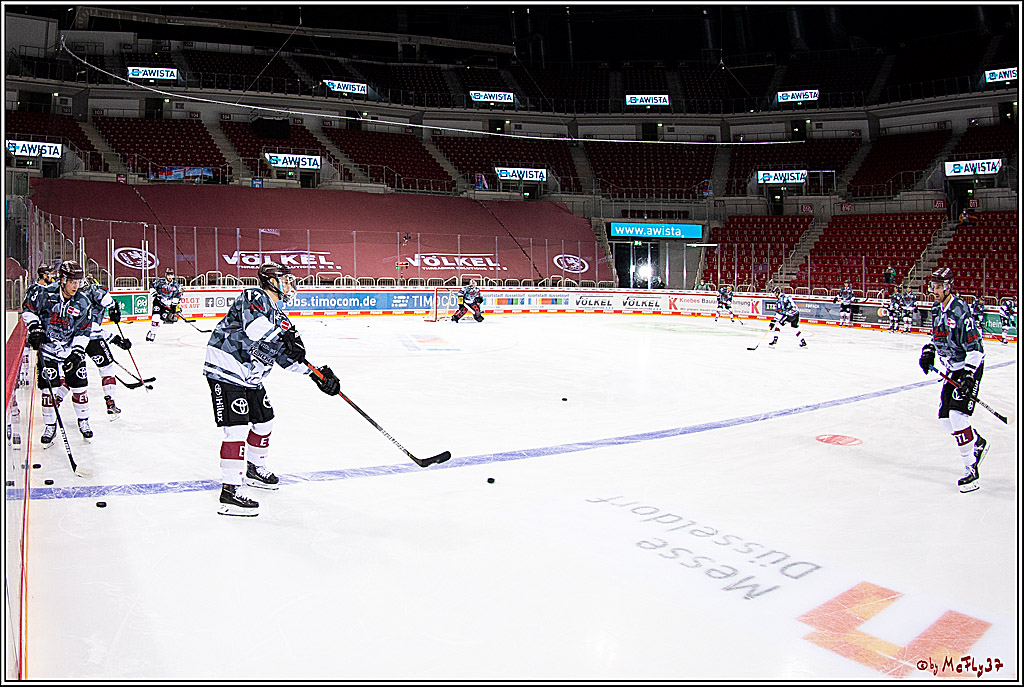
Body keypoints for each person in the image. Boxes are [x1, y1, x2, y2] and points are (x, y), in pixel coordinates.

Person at [203, 261, 340, 516]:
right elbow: (255, 329)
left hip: (251, 377)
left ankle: (254, 468)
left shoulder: (282, 318)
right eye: (285, 280)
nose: (290, 285)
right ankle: (230, 490)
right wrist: (283, 337)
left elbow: (287, 358)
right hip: (227, 367)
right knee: (236, 429)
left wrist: (317, 374)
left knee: (265, 422)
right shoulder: (254, 296)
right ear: (271, 282)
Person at [917, 267, 988, 493]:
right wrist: (928, 351)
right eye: (933, 287)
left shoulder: (960, 311)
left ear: (948, 287)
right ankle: (976, 442)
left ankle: (971, 471)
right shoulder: (937, 309)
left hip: (969, 367)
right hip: (951, 370)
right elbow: (935, 336)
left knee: (958, 417)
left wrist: (968, 374)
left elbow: (975, 348)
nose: (934, 291)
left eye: (938, 287)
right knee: (945, 420)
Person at [21, 261, 96, 444]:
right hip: (48, 350)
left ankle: (83, 421)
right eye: (72, 281)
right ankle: (50, 425)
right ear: (62, 280)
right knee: (48, 390)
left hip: (70, 349)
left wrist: (77, 352)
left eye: (78, 282)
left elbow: (84, 330)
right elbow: (28, 311)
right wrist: (35, 328)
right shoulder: (44, 294)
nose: (75, 286)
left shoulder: (83, 301)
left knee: (79, 387)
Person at [80, 275, 133, 418]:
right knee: (107, 368)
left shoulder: (69, 299)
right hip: (93, 340)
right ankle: (110, 401)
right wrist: (114, 310)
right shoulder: (93, 291)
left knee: (73, 375)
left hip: (74, 340)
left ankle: (57, 401)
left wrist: (115, 339)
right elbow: (94, 328)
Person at [147, 268, 182, 341]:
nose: (169, 276)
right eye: (168, 274)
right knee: (156, 317)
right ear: (166, 275)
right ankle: (153, 333)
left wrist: (173, 306)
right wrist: (155, 294)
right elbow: (151, 285)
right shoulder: (160, 281)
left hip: (167, 305)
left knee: (163, 318)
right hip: (158, 302)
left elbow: (178, 295)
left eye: (171, 275)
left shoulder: (175, 285)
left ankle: (153, 329)